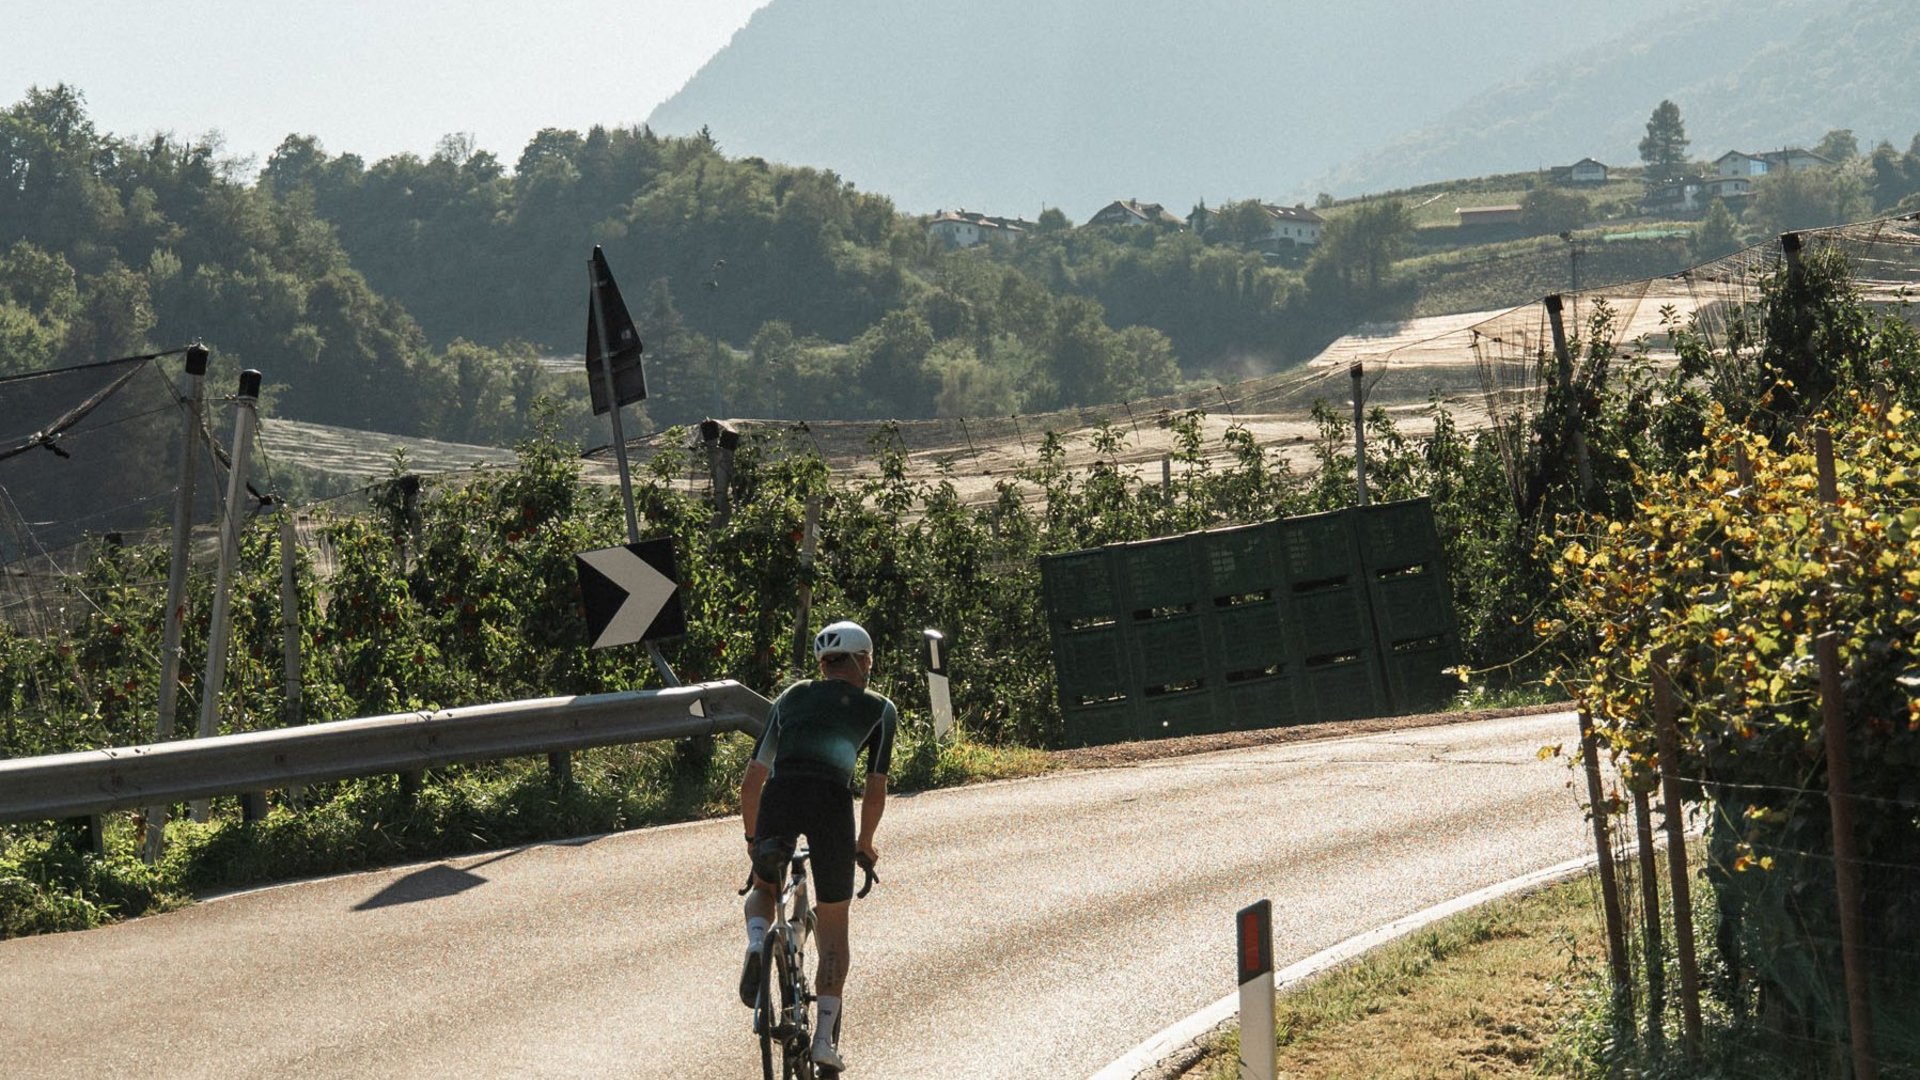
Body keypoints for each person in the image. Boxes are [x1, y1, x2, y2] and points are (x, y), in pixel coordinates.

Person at [739, 619, 896, 1072]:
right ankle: (824, 1038)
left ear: (823, 663)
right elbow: (876, 786)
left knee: (765, 889)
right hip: (831, 806)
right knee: (833, 927)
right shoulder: (879, 708)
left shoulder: (790, 697)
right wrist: (864, 843)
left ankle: (755, 945)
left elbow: (753, 781)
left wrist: (754, 845)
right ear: (863, 660)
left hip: (781, 796)